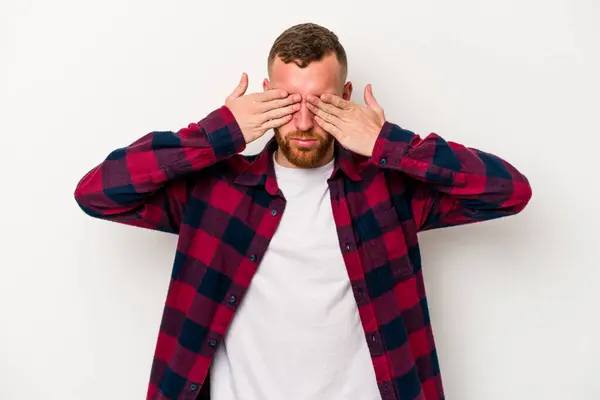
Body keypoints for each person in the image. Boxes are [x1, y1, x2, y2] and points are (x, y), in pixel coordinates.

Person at [74, 22, 532, 400]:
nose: (306, 123)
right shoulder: (216, 191)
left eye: (322, 102)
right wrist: (219, 133)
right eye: (290, 103)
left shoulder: (386, 189)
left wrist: (386, 142)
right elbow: (98, 192)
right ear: (267, 93)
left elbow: (509, 192)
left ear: (348, 95)